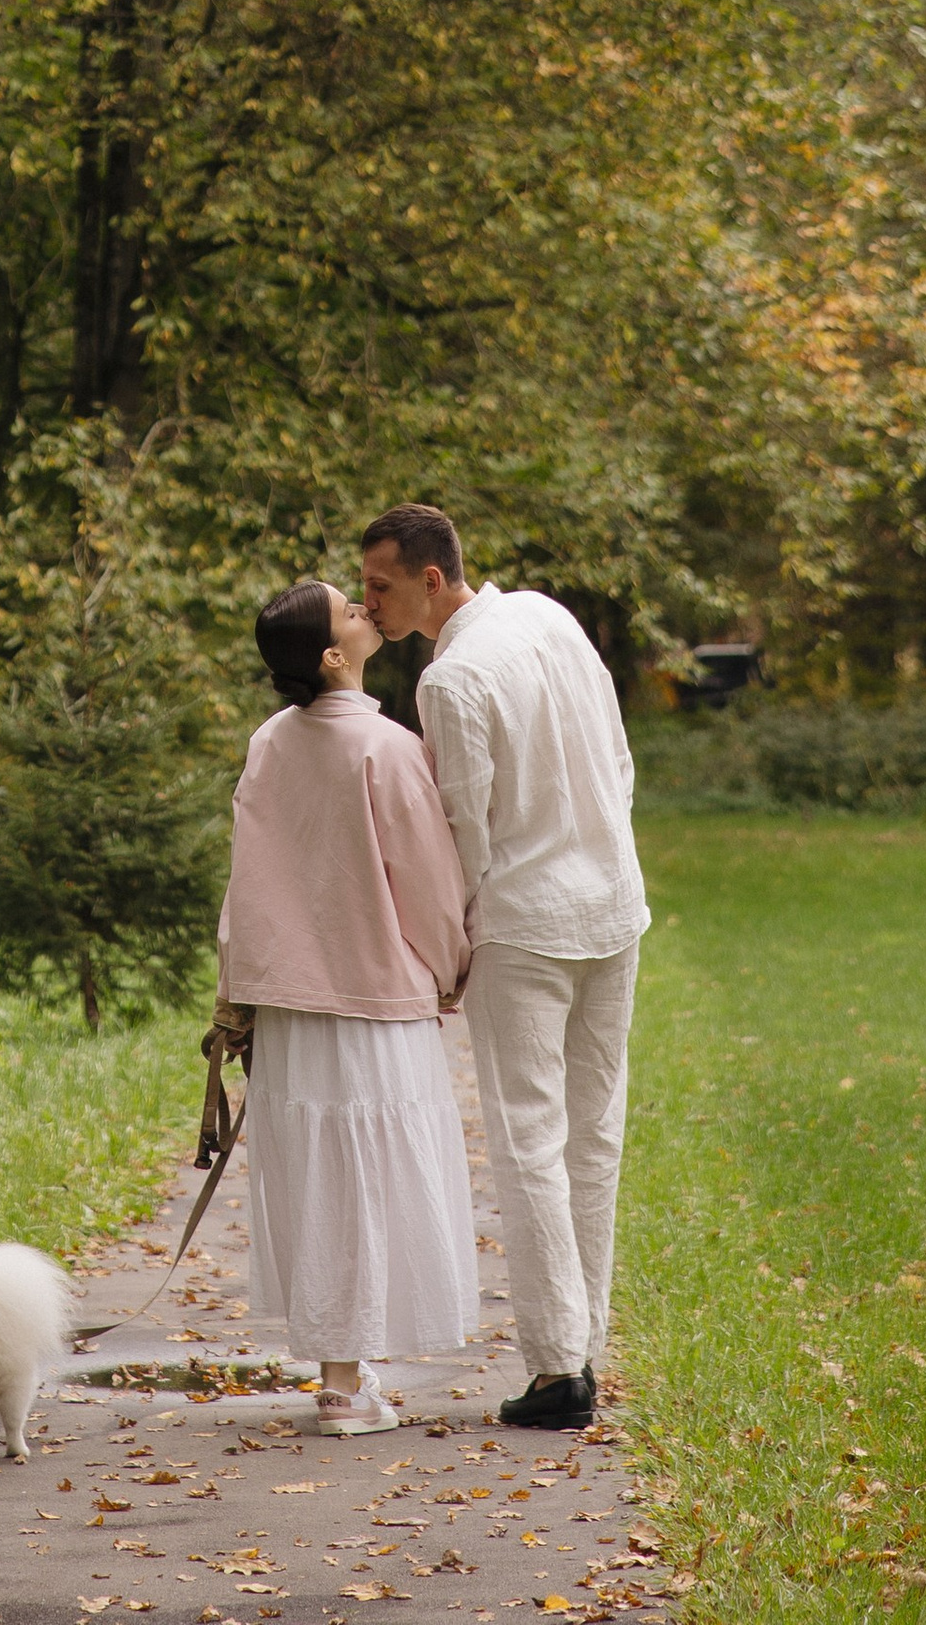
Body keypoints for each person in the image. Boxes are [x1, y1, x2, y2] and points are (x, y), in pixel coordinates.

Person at [358, 502, 650, 1436]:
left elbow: (464, 834)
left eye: (381, 586)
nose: (370, 604)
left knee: (532, 1141)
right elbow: (620, 757)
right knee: (592, 1132)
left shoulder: (452, 678)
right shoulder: (550, 615)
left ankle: (559, 1367)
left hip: (526, 924)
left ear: (432, 580)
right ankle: (583, 1344)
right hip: (612, 904)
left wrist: (450, 951)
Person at [215, 575, 478, 1438]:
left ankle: (341, 1376)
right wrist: (449, 968)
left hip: (293, 1004)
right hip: (376, 997)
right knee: (372, 1174)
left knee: (322, 1176)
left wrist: (237, 994)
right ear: (334, 655)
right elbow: (430, 882)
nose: (367, 611)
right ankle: (347, 1381)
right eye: (350, 611)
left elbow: (244, 885)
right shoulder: (391, 749)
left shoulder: (268, 744)